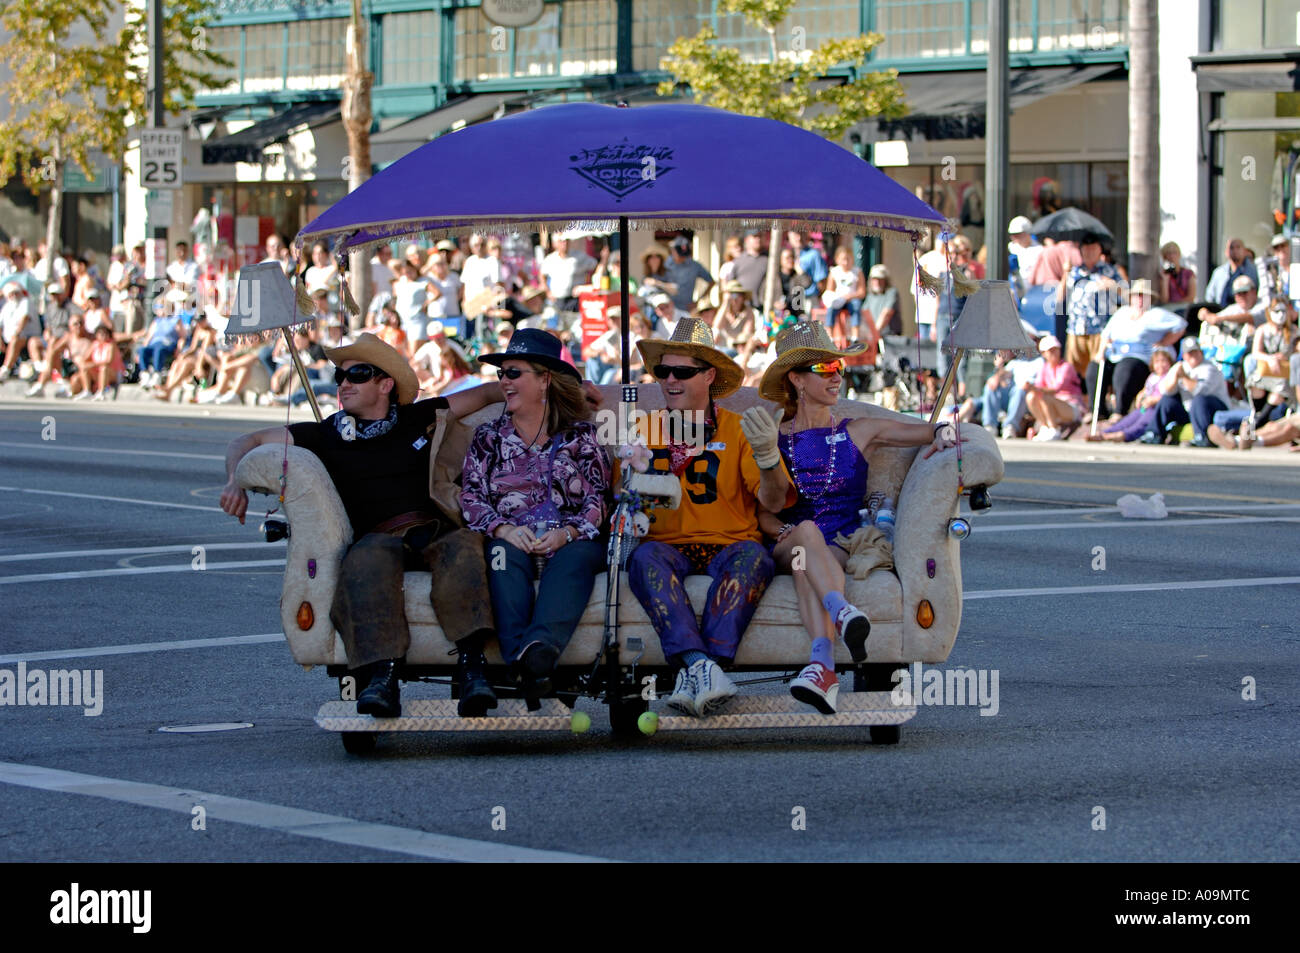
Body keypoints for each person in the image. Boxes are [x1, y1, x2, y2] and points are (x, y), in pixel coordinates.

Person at [219, 334, 507, 718]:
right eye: (340, 376)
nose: (344, 384)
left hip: (430, 530)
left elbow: (489, 393)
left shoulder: (419, 417)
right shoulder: (326, 434)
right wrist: (233, 480)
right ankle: (382, 678)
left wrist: (572, 389)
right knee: (366, 559)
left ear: (386, 384)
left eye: (358, 374)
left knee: (465, 547)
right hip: (378, 538)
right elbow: (247, 439)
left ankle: (474, 670)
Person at [755, 322, 964, 712]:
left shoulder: (859, 430)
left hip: (845, 542)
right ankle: (841, 611)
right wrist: (785, 530)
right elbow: (762, 512)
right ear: (797, 380)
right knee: (804, 536)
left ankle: (822, 665)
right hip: (789, 538)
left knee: (806, 565)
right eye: (826, 370)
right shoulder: (773, 436)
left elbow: (924, 430)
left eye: (839, 367)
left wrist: (942, 433)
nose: (838, 377)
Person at [625, 319, 795, 717]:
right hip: (663, 545)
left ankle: (701, 667)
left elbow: (773, 502)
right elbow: (625, 503)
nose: (670, 380)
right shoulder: (640, 429)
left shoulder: (739, 429)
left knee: (755, 558)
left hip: (731, 542)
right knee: (644, 560)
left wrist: (769, 458)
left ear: (709, 375)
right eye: (662, 371)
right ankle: (703, 666)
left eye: (682, 372)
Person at [459, 328, 610, 700]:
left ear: (544, 380)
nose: (504, 382)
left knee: (575, 559)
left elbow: (599, 500)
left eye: (514, 373)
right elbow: (471, 497)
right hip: (513, 537)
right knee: (499, 555)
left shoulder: (582, 436)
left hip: (571, 540)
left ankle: (539, 649)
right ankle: (522, 665)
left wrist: (568, 534)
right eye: (501, 373)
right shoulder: (488, 437)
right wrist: (503, 529)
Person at [1091, 278, 1187, 419]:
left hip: (1140, 358)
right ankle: (1097, 412)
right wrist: (1100, 353)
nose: (1140, 299)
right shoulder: (1122, 312)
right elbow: (1106, 334)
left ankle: (1119, 411)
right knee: (1095, 367)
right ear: (1131, 298)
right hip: (1115, 354)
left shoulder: (1156, 314)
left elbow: (1181, 325)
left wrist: (1164, 342)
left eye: (1144, 296)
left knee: (1125, 369)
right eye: (1137, 295)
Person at [1061, 233, 1123, 383]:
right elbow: (1060, 297)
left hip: (1099, 330)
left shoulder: (1110, 271)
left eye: (1093, 249)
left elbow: (1126, 295)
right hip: (1076, 329)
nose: (1089, 252)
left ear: (1100, 250)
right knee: (1074, 374)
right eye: (1086, 249)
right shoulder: (1075, 271)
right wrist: (1065, 272)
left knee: (1096, 372)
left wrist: (1114, 286)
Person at [1153, 337, 1230, 446]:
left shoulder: (1210, 368)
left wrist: (1183, 377)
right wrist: (1175, 378)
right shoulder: (1179, 367)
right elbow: (1165, 391)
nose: (1193, 356)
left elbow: (1200, 390)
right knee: (1167, 400)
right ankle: (1154, 434)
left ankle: (1201, 436)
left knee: (1199, 400)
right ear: (1184, 356)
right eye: (1189, 353)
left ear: (1201, 353)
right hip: (1189, 410)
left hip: (1214, 410)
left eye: (1195, 352)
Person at [1090, 346, 1176, 442]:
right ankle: (1106, 433)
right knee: (1129, 420)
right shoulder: (1153, 377)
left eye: (1163, 361)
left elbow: (1170, 395)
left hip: (1157, 408)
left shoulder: (1171, 376)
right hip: (1145, 407)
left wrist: (1153, 400)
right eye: (1157, 362)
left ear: (1170, 362)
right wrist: (1141, 396)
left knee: (1142, 423)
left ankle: (1123, 435)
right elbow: (1146, 389)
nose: (1160, 365)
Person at [1024, 334, 1086, 440]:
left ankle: (1053, 430)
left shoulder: (1066, 367)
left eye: (1055, 349)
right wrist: (1031, 388)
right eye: (1050, 350)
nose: (1054, 353)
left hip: (1072, 407)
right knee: (1031, 396)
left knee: (1045, 397)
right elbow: (1038, 388)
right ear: (1043, 353)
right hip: (1053, 405)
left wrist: (1034, 388)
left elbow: (1056, 389)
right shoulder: (1043, 368)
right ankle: (1045, 427)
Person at [821, 245, 866, 334]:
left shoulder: (857, 272)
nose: (845, 262)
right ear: (837, 259)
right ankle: (829, 334)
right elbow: (829, 291)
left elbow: (862, 292)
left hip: (852, 299)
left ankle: (855, 334)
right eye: (843, 259)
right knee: (831, 309)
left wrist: (850, 296)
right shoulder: (834, 272)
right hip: (839, 300)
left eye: (848, 259)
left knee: (856, 306)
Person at [663, 235, 713, 313]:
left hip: (686, 310)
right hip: (666, 310)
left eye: (685, 254)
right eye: (680, 253)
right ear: (673, 251)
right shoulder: (665, 264)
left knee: (686, 325)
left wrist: (698, 301)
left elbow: (711, 282)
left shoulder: (694, 266)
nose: (683, 257)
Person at [1203, 237, 1259, 308]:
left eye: (1238, 247)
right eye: (1231, 248)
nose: (1235, 250)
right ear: (1226, 252)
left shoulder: (1255, 271)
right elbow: (1210, 296)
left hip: (1245, 314)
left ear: (1245, 251)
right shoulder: (1219, 272)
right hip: (1221, 313)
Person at [0, 279, 36, 381]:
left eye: (16, 293)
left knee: (15, 340)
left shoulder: (25, 302)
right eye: (11, 293)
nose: (14, 295)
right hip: (8, 339)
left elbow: (24, 319)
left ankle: (5, 369)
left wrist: (16, 333)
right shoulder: (7, 306)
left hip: (26, 337)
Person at [864, 264, 900, 337]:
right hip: (873, 336)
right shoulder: (870, 296)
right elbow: (864, 314)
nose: (877, 282)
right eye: (874, 279)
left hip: (889, 337)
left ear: (886, 280)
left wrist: (874, 332)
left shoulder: (892, 292)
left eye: (880, 279)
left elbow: (886, 314)